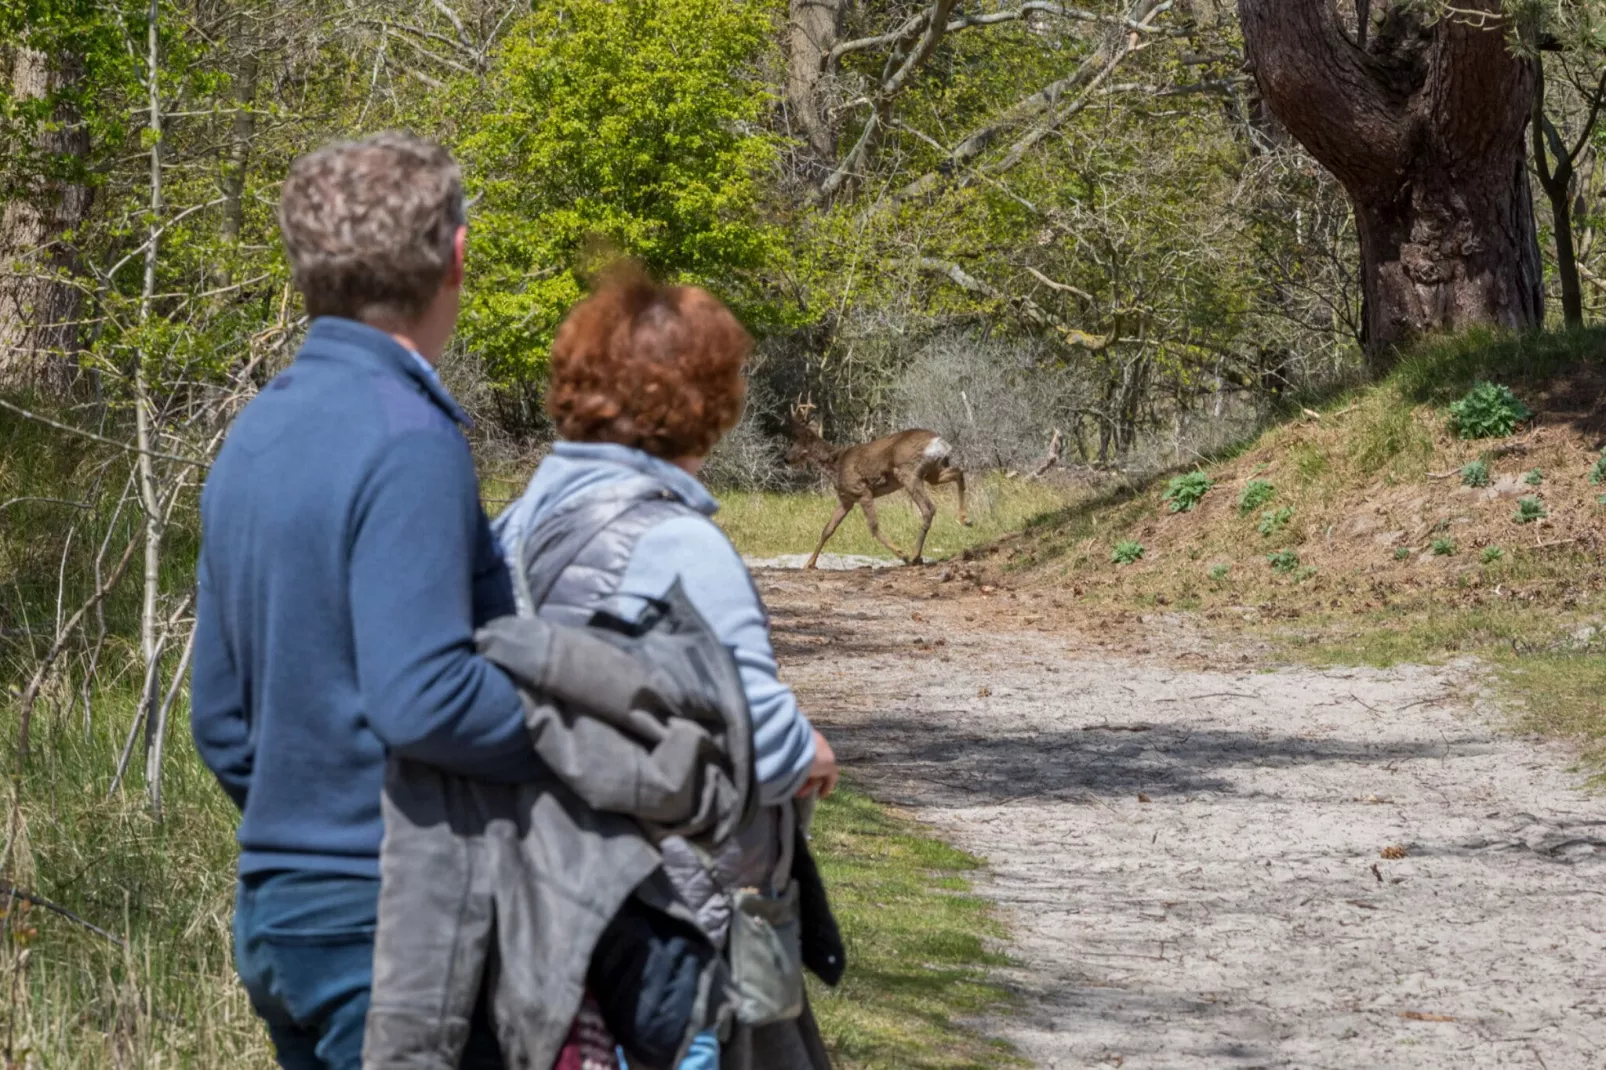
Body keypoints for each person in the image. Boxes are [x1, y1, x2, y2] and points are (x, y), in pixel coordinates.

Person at [190, 133, 542, 1070]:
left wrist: (303, 838)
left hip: (280, 917)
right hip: (393, 923)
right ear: (456, 257)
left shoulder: (256, 432)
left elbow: (222, 726)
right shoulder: (410, 438)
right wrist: (573, 725)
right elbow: (421, 695)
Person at [494, 263, 840, 1070]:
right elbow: (762, 735)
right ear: (706, 401)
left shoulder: (514, 523)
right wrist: (813, 750)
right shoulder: (677, 542)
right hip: (678, 919)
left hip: (553, 909)